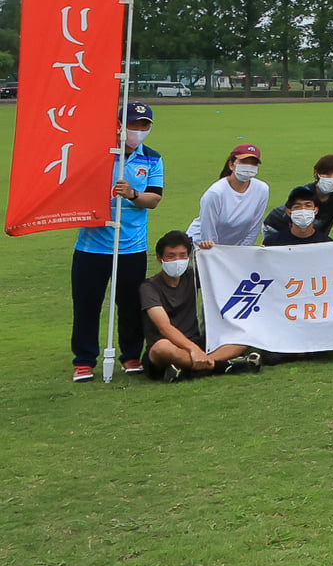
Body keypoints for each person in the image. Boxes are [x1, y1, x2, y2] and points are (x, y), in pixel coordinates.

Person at [73, 102, 164, 380]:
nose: (138, 130)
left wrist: (133, 194)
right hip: (92, 246)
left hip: (131, 247)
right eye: (133, 124)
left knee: (130, 304)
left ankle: (131, 356)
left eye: (144, 125)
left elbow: (154, 199)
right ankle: (84, 360)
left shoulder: (152, 158)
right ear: (120, 126)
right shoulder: (98, 155)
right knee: (87, 304)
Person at [140, 231, 259, 381]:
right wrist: (193, 349)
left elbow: (227, 272)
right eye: (171, 256)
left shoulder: (192, 276)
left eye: (182, 255)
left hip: (196, 340)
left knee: (244, 336)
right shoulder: (149, 287)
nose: (177, 260)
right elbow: (165, 327)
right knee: (161, 348)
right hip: (168, 344)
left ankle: (190, 369)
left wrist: (255, 256)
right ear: (160, 258)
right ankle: (222, 366)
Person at [189, 143, 270, 249]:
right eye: (244, 162)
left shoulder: (262, 189)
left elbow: (254, 227)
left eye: (253, 163)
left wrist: (243, 251)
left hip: (232, 248)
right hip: (202, 246)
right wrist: (217, 253)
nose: (249, 167)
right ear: (231, 164)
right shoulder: (215, 193)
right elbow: (208, 233)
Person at [263, 186, 333, 246]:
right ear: (289, 212)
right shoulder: (272, 243)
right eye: (297, 206)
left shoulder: (327, 244)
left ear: (316, 210)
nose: (303, 209)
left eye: (308, 206)